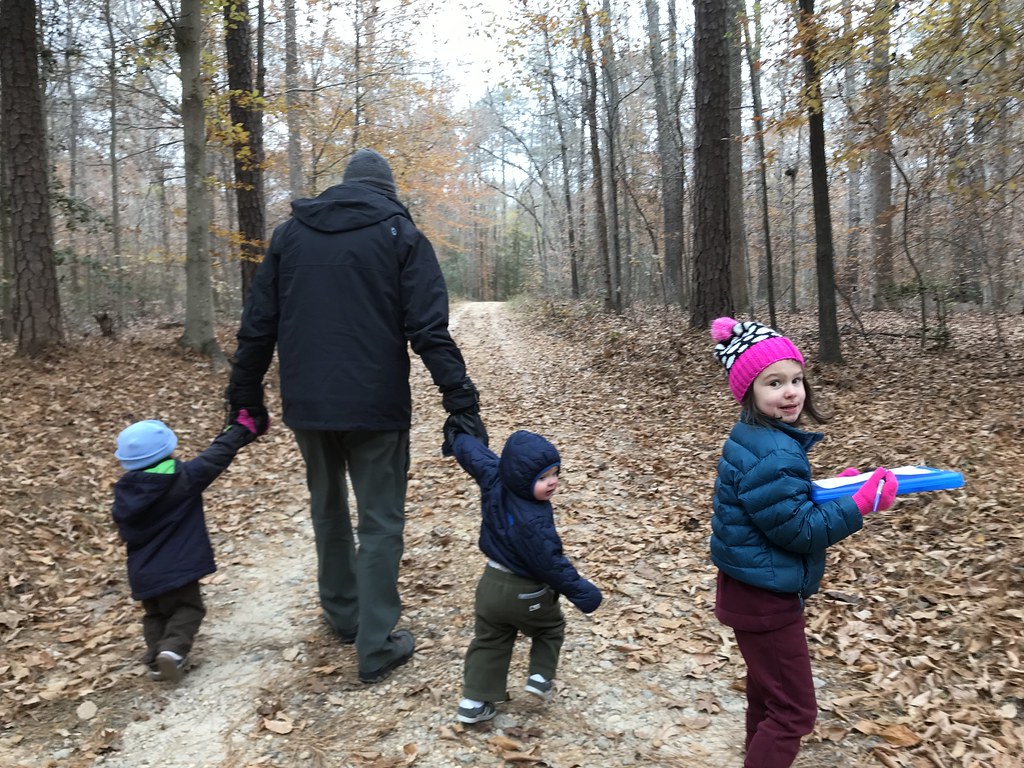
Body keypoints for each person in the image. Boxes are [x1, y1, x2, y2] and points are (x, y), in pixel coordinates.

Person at [225, 148, 487, 684]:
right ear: (387, 191)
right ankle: (376, 642)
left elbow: (258, 326)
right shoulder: (402, 237)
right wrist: (461, 402)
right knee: (381, 519)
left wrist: (244, 396)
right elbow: (429, 331)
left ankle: (343, 616)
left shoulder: (288, 236)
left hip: (309, 406)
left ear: (341, 187)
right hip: (376, 406)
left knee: (327, 509)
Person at [707, 317, 898, 767]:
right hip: (765, 598)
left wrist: (837, 491)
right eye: (774, 383)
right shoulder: (773, 451)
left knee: (768, 695)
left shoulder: (759, 438)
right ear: (749, 391)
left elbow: (784, 502)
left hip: (749, 586)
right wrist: (860, 505)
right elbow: (800, 529)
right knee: (795, 712)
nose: (791, 392)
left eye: (796, 379)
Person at [444, 427, 603, 724]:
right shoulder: (534, 519)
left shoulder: (494, 479)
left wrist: (459, 436)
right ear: (522, 478)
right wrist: (581, 591)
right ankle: (540, 678)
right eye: (543, 478)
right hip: (526, 591)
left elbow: (477, 458)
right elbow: (551, 564)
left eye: (555, 473)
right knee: (549, 629)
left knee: (490, 640)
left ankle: (473, 702)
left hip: (490, 586)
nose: (552, 482)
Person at [112, 414, 259, 682]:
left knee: (155, 614)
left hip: (143, 572)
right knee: (188, 609)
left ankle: (156, 661)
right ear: (168, 448)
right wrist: (237, 431)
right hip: (177, 568)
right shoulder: (184, 479)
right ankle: (173, 651)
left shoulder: (125, 492)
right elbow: (216, 456)